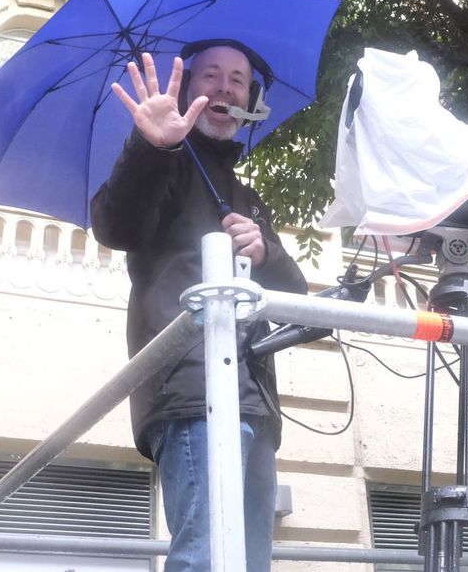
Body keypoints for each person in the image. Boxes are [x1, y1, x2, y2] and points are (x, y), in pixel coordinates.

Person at [90, 42, 308, 572]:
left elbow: (302, 311)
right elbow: (115, 226)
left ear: (249, 97)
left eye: (238, 78)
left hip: (253, 400)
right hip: (189, 391)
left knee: (248, 564)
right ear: (186, 91)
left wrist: (267, 251)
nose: (225, 86)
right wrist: (153, 146)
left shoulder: (248, 198)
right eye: (210, 74)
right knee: (209, 558)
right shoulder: (163, 163)